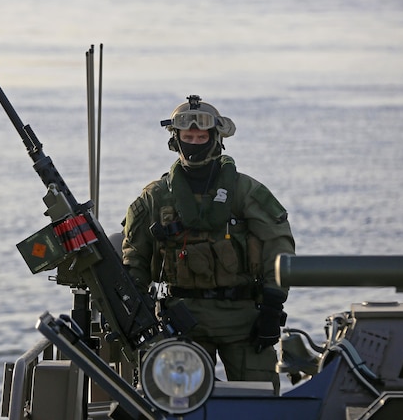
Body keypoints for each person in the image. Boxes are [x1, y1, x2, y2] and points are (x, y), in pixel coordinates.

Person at [121, 95, 295, 393]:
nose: (195, 142)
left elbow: (279, 248)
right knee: (179, 404)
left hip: (243, 321)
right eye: (188, 136)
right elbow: (134, 258)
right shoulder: (155, 197)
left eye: (201, 136)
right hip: (181, 321)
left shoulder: (245, 191)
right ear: (175, 140)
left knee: (260, 405)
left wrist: (272, 305)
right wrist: (138, 315)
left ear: (215, 138)